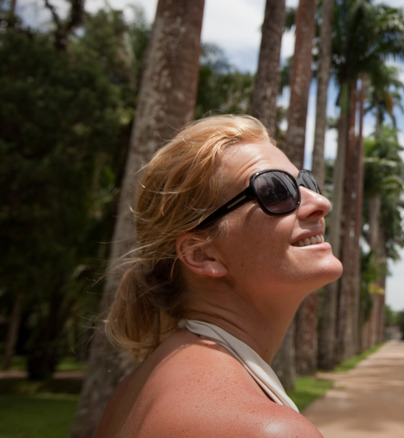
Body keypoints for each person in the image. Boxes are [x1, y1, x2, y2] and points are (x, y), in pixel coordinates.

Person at [94, 115, 343, 437]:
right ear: (202, 255)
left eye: (306, 184)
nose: (321, 203)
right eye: (275, 189)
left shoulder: (133, 391)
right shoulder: (266, 430)